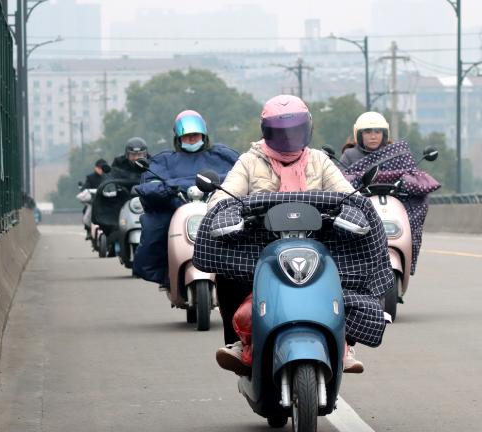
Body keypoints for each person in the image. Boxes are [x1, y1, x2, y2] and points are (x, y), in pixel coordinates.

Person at [206, 94, 369, 375]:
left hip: (318, 243)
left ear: (307, 128)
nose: (288, 137)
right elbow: (223, 197)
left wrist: (353, 210)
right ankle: (238, 342)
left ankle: (344, 343)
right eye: (281, 132)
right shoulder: (249, 161)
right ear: (266, 131)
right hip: (259, 246)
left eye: (294, 130)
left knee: (353, 272)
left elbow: (347, 194)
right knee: (227, 274)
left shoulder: (320, 161)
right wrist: (228, 211)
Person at [132, 110, 238, 284]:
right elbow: (149, 185)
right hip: (177, 210)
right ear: (178, 138)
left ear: (203, 135)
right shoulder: (164, 160)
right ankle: (167, 274)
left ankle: (239, 275)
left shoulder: (223, 156)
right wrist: (170, 188)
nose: (191, 139)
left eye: (195, 135)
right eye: (187, 136)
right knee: (154, 226)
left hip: (217, 208)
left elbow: (241, 175)